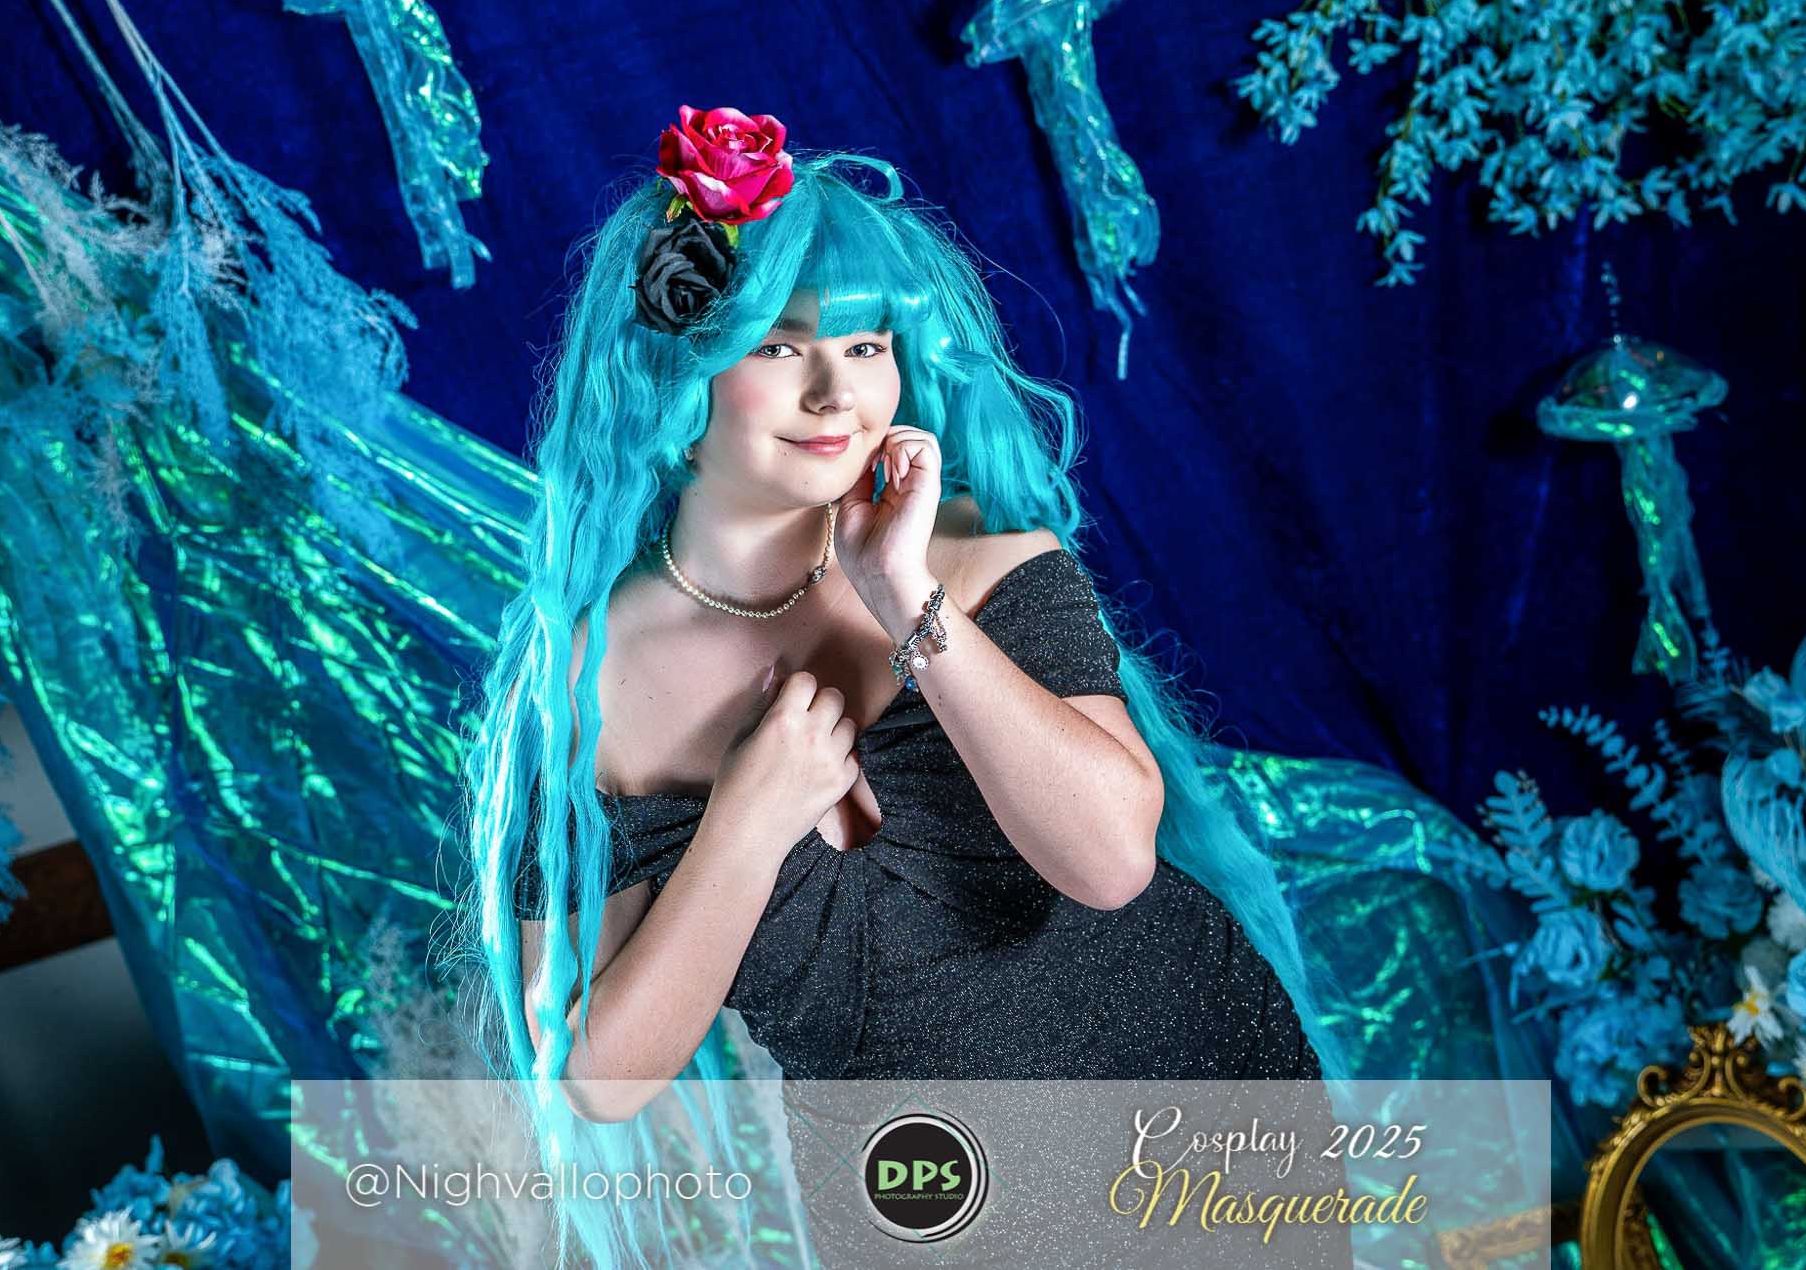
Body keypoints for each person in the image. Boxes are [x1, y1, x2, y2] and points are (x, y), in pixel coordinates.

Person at [458, 105, 1349, 1268]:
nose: (835, 392)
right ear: (672, 369)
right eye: (778, 348)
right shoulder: (578, 690)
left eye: (865, 344)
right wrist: (745, 821)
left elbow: (1110, 861)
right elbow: (599, 1077)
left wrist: (903, 597)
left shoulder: (980, 566)